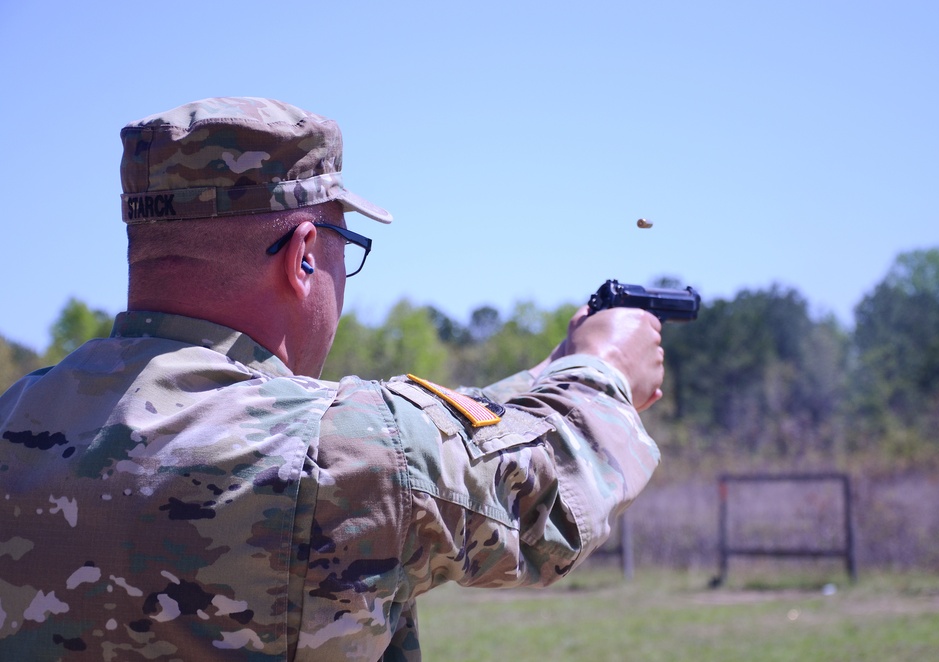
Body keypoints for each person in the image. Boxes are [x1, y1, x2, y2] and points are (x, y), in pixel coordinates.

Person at [0, 97, 664, 661]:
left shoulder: (14, 422)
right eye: (351, 252)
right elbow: (548, 498)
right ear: (304, 256)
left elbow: (436, 444)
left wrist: (542, 378)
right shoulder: (341, 450)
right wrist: (601, 369)